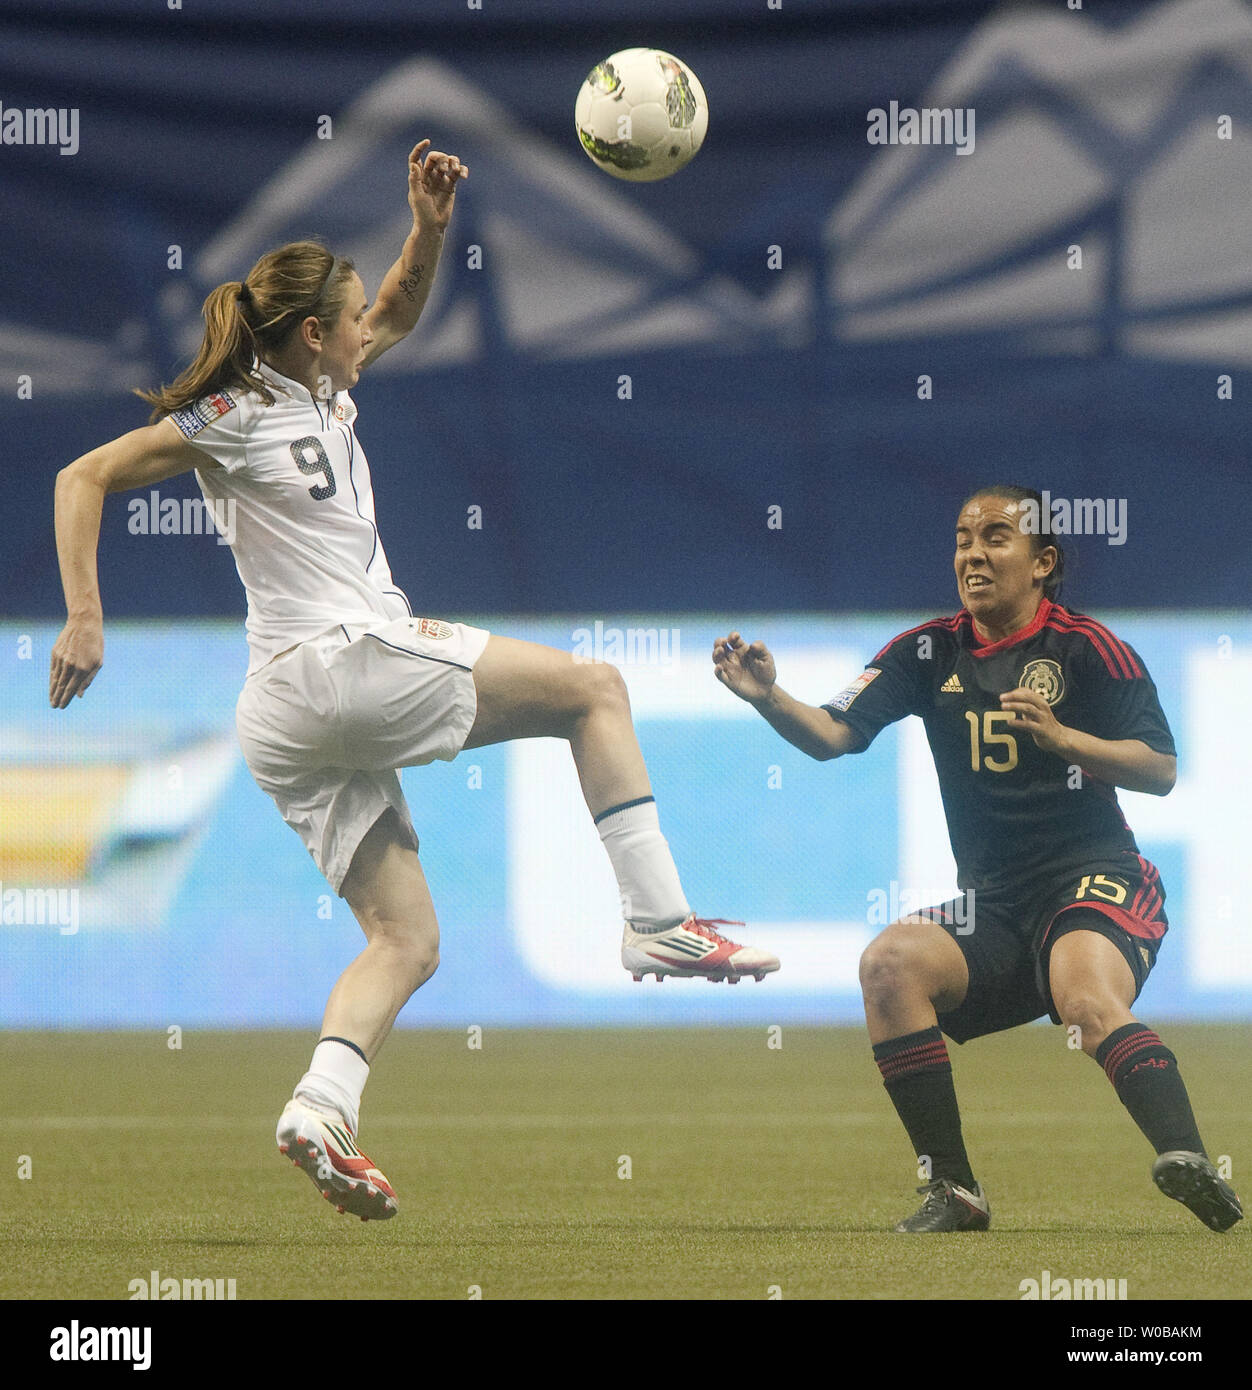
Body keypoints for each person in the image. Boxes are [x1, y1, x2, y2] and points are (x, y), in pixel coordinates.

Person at [49, 139, 778, 1223]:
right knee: (593, 691)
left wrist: (428, 228)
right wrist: (85, 615)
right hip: (343, 660)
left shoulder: (315, 390)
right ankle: (659, 920)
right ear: (311, 335)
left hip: (281, 717)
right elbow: (85, 472)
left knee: (407, 940)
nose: (368, 331)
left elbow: (394, 302)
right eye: (347, 323)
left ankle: (318, 1109)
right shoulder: (237, 415)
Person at [712, 485, 1241, 1234]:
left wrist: (1065, 741)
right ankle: (954, 1192)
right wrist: (769, 697)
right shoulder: (928, 651)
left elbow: (1159, 768)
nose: (973, 554)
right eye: (963, 538)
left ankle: (1187, 1160)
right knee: (889, 965)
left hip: (1098, 880)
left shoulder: (1089, 648)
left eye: (996, 536)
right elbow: (833, 734)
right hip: (992, 904)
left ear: (1043, 562)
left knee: (1085, 1000)